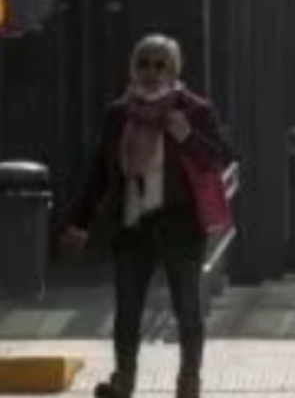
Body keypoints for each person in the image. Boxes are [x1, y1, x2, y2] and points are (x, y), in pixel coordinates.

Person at [61, 34, 236, 398]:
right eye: (144, 63)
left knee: (187, 308)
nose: (151, 72)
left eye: (161, 64)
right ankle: (123, 381)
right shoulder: (119, 114)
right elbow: (100, 171)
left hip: (181, 224)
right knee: (127, 311)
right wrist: (80, 222)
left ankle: (189, 382)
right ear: (133, 68)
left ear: (174, 70)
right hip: (133, 224)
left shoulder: (194, 110)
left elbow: (220, 156)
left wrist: (186, 135)